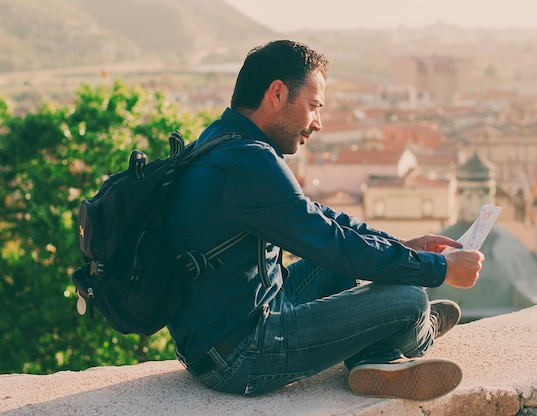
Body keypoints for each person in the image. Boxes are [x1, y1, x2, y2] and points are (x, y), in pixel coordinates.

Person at [166, 40, 484, 401]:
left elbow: (323, 220)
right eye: (314, 107)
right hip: (241, 355)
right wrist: (438, 269)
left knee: (339, 270)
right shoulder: (248, 163)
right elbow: (330, 241)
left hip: (217, 337)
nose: (317, 123)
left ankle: (376, 358)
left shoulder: (221, 139)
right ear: (277, 93)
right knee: (410, 298)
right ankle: (415, 330)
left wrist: (402, 247)